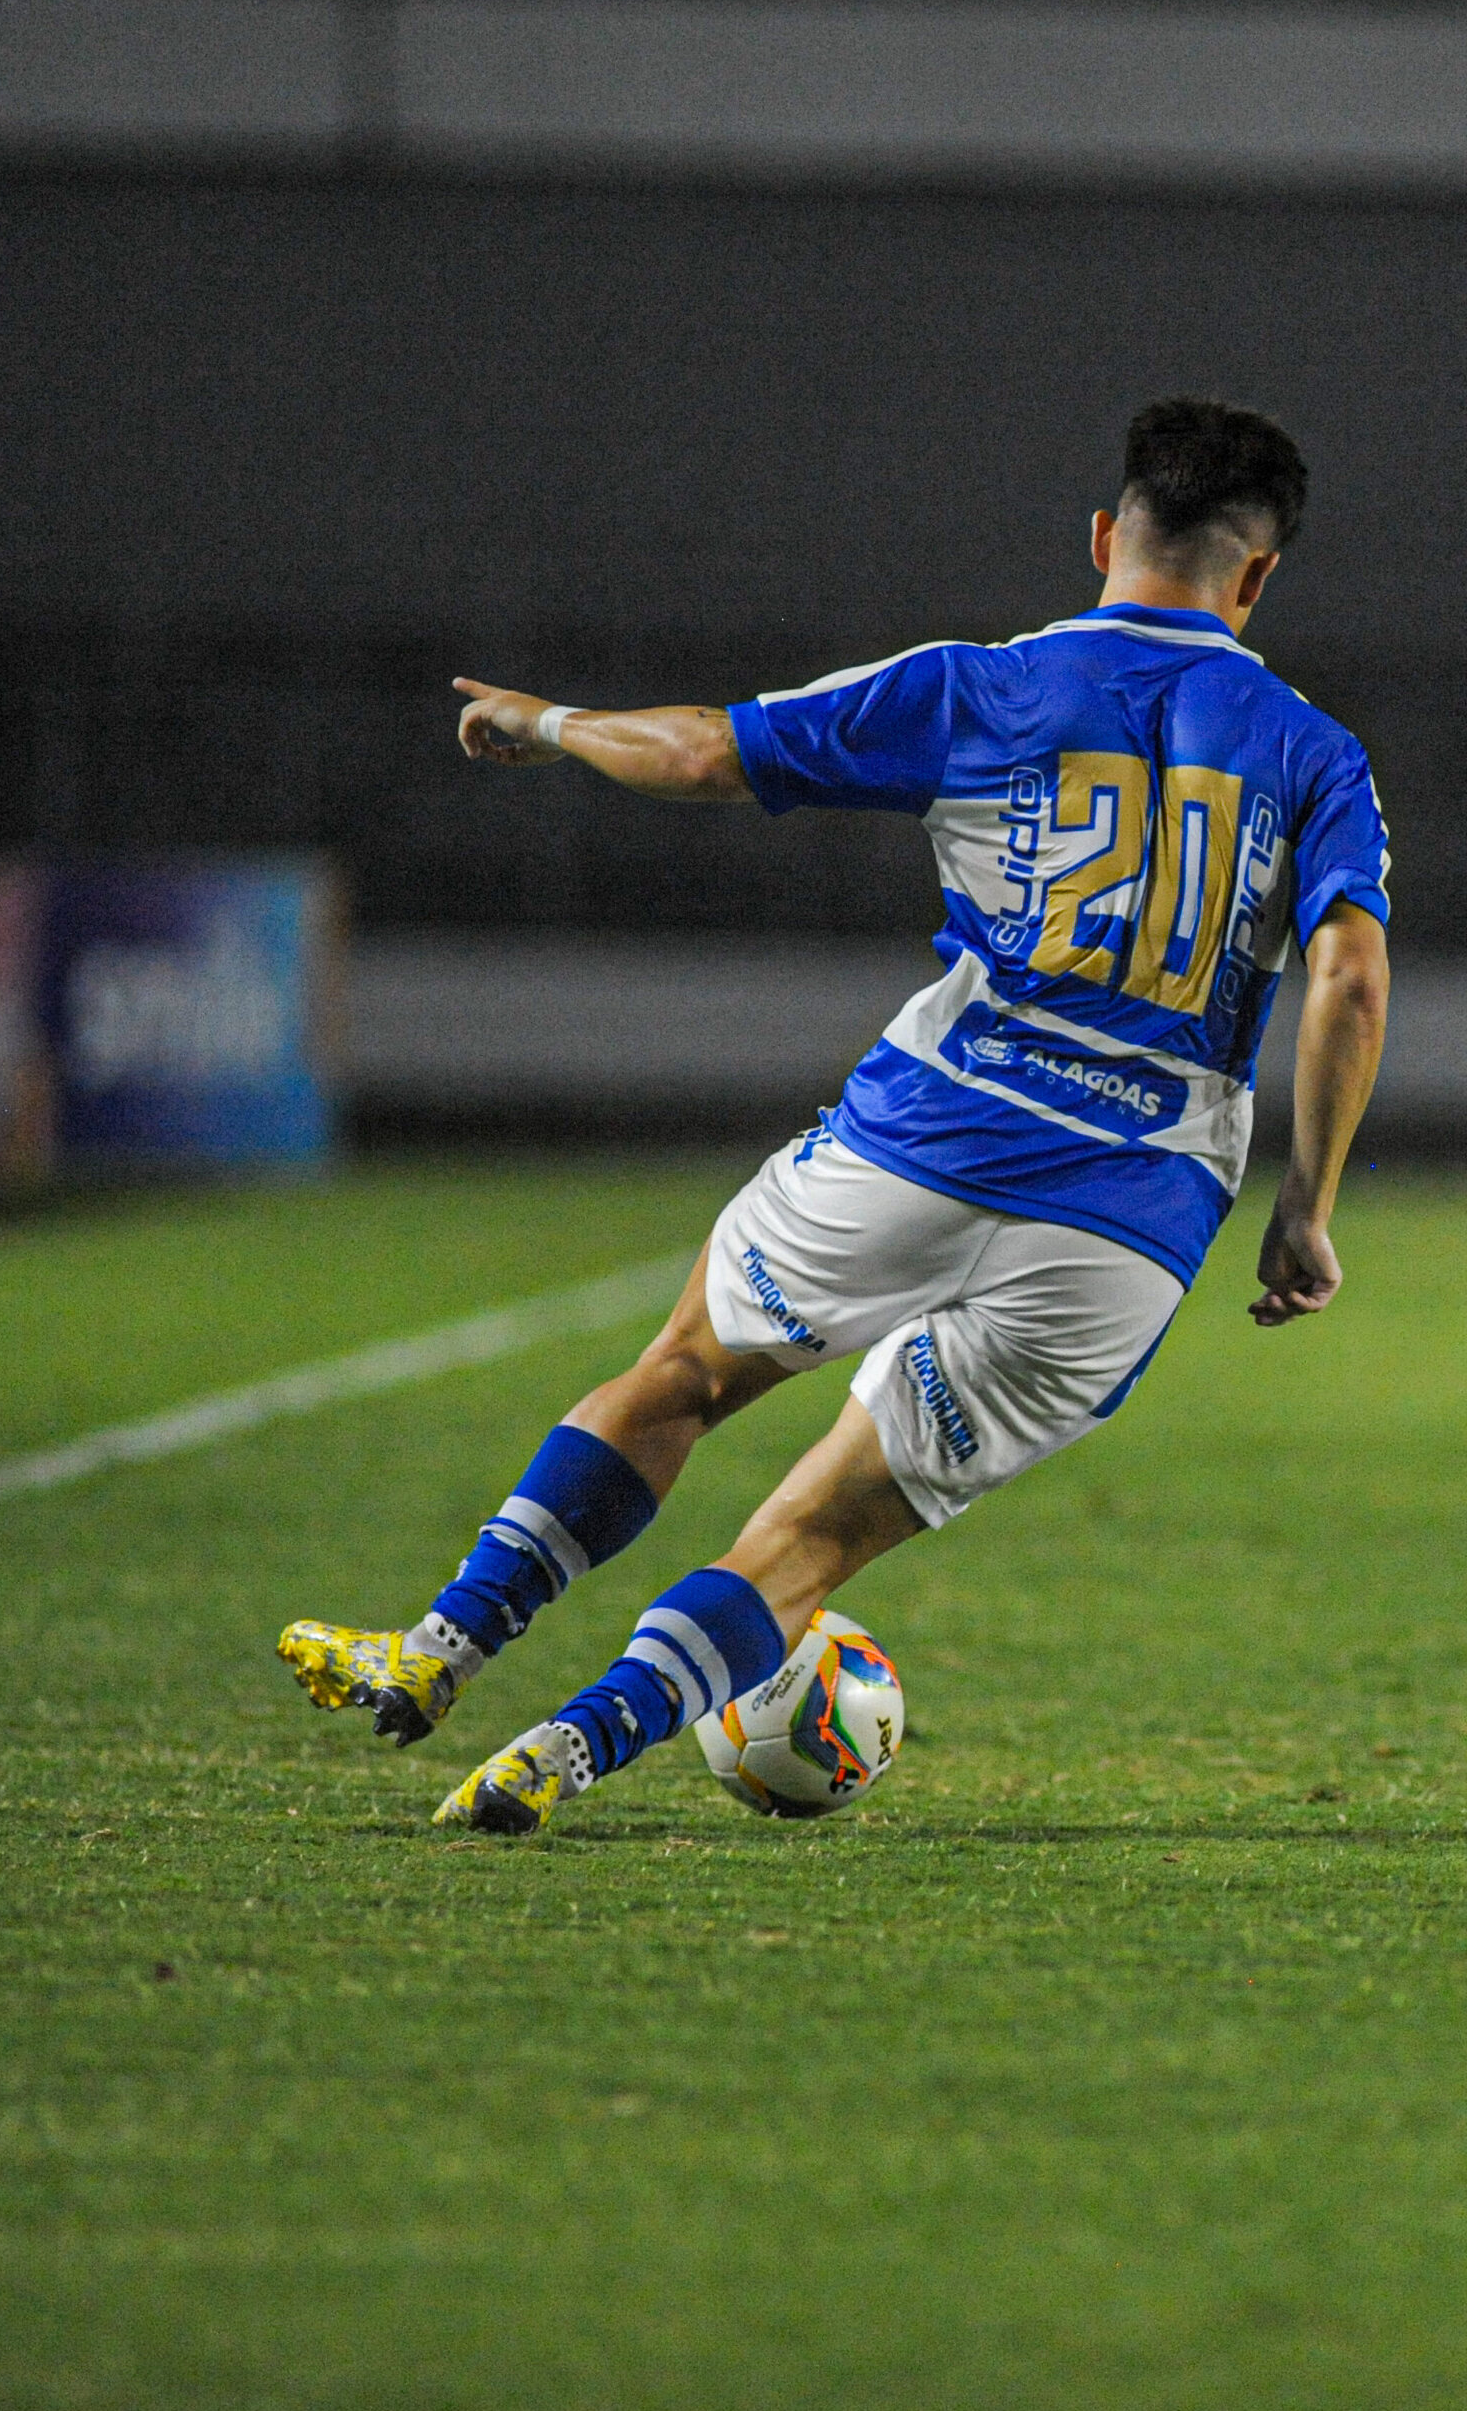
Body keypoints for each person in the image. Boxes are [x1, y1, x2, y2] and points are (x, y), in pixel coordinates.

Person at [280, 399, 1394, 1834]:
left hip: (926, 1141)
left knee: (683, 1370)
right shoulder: (1315, 753)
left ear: (1108, 536)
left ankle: (442, 1646)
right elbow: (1350, 980)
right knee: (810, 1535)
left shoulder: (979, 685)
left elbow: (696, 752)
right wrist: (1305, 1208)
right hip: (1132, 1218)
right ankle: (558, 1753)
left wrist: (545, 723)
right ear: (1256, 578)